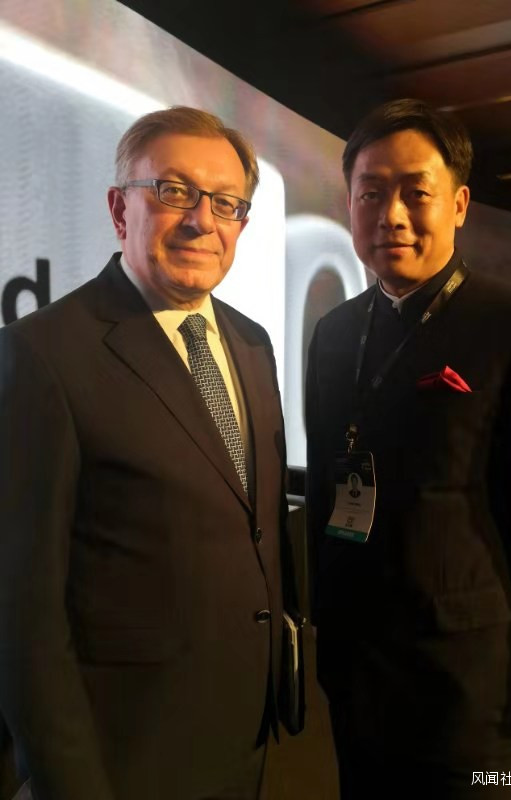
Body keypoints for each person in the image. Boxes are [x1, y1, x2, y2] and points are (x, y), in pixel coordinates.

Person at [305, 98, 511, 798]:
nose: (391, 215)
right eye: (371, 193)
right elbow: (324, 486)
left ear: (459, 204)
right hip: (357, 671)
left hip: (474, 683)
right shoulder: (335, 332)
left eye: (416, 193)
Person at [0, 106, 292, 800]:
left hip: (246, 736)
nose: (201, 221)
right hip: (125, 753)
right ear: (118, 208)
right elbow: (21, 614)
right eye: (174, 191)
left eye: (226, 203)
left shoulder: (252, 342)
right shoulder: (43, 354)